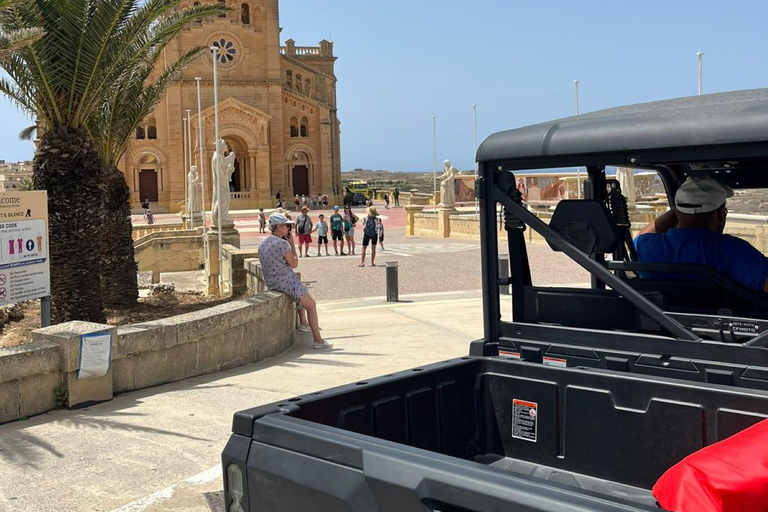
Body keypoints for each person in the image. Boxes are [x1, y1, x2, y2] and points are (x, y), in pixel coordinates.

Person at [635, 176, 768, 292]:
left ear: (676, 213)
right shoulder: (729, 250)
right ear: (721, 214)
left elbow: (642, 236)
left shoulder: (646, 247)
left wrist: (680, 209)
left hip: (656, 319)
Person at [259, 213, 332, 349]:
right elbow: (294, 263)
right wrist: (292, 244)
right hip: (285, 281)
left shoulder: (263, 242)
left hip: (271, 281)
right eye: (286, 226)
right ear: (279, 227)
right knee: (311, 305)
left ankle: (303, 323)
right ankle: (318, 340)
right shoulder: (282, 244)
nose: (289, 228)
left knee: (303, 288)